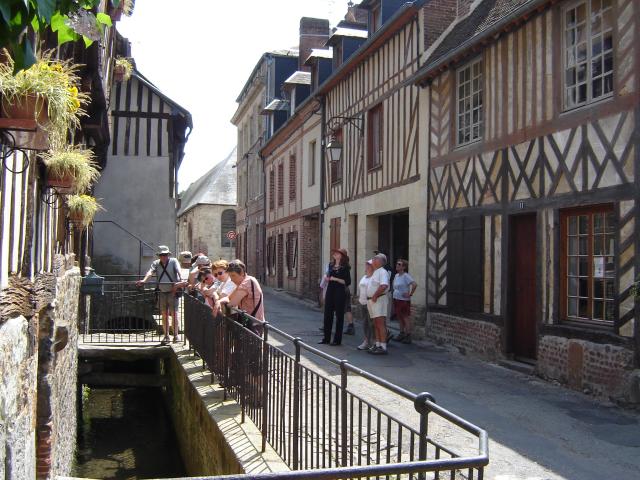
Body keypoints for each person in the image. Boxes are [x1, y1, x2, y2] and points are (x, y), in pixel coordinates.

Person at [136, 245, 182, 344]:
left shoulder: (173, 261)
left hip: (173, 292)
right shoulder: (156, 263)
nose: (163, 257)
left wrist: (180, 281)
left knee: (174, 314)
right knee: (164, 315)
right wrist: (144, 281)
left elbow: (178, 271)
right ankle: (166, 336)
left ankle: (176, 336)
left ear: (168, 255)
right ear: (159, 256)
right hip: (161, 292)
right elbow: (150, 272)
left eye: (165, 255)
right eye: (161, 255)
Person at [218, 259, 265, 329]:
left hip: (253, 325)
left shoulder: (247, 283)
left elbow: (232, 303)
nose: (231, 279)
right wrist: (218, 302)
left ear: (242, 273)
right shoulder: (245, 281)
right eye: (230, 276)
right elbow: (228, 297)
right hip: (251, 323)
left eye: (233, 276)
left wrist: (220, 304)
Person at [319, 249, 351, 346]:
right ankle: (326, 338)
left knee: (339, 316)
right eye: (334, 253)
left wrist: (335, 279)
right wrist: (326, 277)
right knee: (327, 314)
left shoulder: (345, 267)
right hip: (330, 290)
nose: (334, 254)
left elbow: (348, 282)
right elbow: (328, 275)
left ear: (341, 256)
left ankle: (337, 340)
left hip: (340, 291)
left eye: (337, 253)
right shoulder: (330, 265)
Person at [366, 253, 390, 355]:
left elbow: (384, 285)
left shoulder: (382, 272)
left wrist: (375, 295)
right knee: (376, 323)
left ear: (380, 261)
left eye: (375, 258)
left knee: (380, 323)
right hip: (373, 300)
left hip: (378, 300)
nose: (373, 260)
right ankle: (378, 344)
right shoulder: (376, 272)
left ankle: (383, 346)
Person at [392, 259, 417, 344]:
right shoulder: (396, 276)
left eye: (399, 264)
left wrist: (410, 294)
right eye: (397, 264)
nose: (397, 265)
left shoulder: (406, 276)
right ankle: (401, 333)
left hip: (403, 301)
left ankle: (408, 335)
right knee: (399, 317)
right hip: (396, 299)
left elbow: (414, 284)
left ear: (404, 267)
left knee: (405, 317)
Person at [357, 259, 375, 350]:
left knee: (372, 323)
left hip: (371, 303)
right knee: (365, 323)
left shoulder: (374, 278)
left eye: (369, 265)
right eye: (366, 265)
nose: (367, 266)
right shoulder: (364, 277)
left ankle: (373, 342)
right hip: (362, 302)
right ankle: (366, 341)